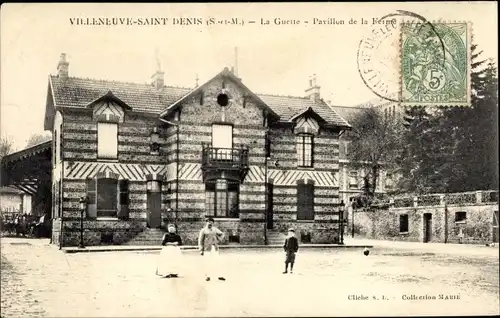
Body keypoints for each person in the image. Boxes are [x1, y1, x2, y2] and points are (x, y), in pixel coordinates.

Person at [198, 217, 225, 281]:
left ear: (213, 223)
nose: (210, 223)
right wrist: (201, 250)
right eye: (208, 222)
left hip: (214, 248)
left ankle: (219, 275)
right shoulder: (203, 230)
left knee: (217, 261)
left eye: (211, 222)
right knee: (207, 262)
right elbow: (200, 241)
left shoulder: (215, 229)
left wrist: (218, 239)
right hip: (206, 249)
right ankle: (207, 276)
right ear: (206, 222)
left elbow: (222, 234)